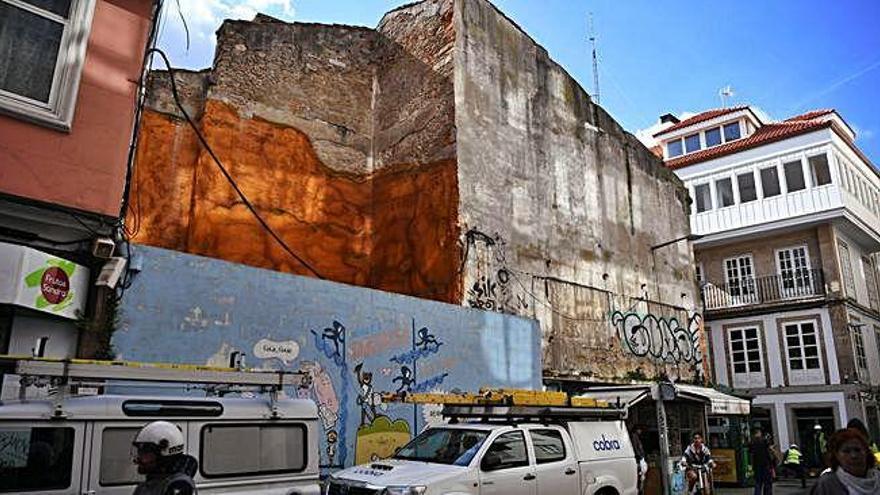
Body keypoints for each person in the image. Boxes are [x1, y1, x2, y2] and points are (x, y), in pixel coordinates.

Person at [132, 421, 198, 495]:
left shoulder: (180, 486)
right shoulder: (145, 486)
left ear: (164, 456)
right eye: (139, 453)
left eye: (145, 453)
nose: (139, 459)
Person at [811, 428, 880, 495]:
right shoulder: (827, 484)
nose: (854, 456)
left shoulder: (878, 477)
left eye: (857, 450)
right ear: (836, 456)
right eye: (846, 451)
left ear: (866, 452)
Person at [749, 429, 774, 495]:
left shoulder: (752, 443)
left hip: (756, 465)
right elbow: (768, 453)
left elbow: (751, 454)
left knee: (758, 483)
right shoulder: (764, 441)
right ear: (758, 433)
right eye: (760, 433)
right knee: (767, 482)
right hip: (765, 465)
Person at [630, 424, 648, 495]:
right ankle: (640, 492)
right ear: (637, 430)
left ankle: (640, 491)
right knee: (640, 477)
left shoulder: (636, 437)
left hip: (640, 459)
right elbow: (635, 448)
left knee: (641, 477)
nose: (640, 431)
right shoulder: (634, 436)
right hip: (638, 459)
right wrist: (640, 457)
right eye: (640, 430)